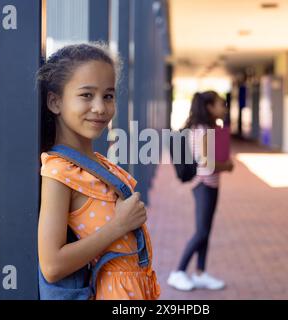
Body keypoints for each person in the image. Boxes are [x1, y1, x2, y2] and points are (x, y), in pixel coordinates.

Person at [37, 43, 160, 300]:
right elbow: (52, 266)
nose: (100, 108)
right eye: (86, 95)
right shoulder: (59, 171)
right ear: (55, 101)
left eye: (108, 96)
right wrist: (119, 225)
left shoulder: (98, 164)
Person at [167, 91, 234, 291]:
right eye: (221, 104)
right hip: (204, 184)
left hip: (209, 184)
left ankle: (200, 273)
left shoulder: (205, 128)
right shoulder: (204, 130)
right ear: (209, 107)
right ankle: (178, 272)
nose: (224, 108)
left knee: (205, 231)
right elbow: (206, 162)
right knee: (202, 232)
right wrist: (227, 166)